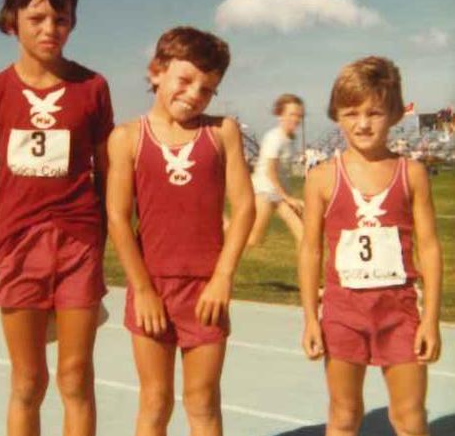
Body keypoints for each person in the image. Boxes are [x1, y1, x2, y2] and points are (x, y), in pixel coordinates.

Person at [0, 0, 113, 436]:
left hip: (78, 247)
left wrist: (96, 243)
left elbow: (106, 174)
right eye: (37, 18)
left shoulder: (92, 88)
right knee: (29, 381)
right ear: (12, 20)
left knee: (76, 379)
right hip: (19, 250)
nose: (50, 28)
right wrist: (2, 246)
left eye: (62, 18)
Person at [107, 26, 255, 436]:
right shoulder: (127, 138)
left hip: (206, 291)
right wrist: (143, 291)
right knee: (155, 402)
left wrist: (223, 278)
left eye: (207, 89)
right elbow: (118, 218)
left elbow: (243, 206)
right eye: (185, 80)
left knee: (203, 402)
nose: (194, 94)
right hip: (151, 288)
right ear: (157, 71)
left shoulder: (222, 132)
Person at [298, 56, 442, 436]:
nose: (362, 123)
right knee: (344, 416)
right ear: (337, 116)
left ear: (393, 114)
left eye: (374, 112)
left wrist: (431, 319)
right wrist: (311, 317)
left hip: (400, 313)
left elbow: (428, 247)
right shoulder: (321, 178)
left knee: (410, 418)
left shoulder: (412, 173)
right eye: (351, 113)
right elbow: (311, 250)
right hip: (343, 313)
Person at [247, 94, 304, 247]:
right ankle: (220, 224)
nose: (297, 119)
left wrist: (287, 197)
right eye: (292, 114)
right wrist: (288, 198)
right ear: (280, 115)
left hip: (279, 194)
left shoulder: (291, 138)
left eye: (300, 115)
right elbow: (270, 172)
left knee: (303, 234)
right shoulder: (274, 138)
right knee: (252, 240)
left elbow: (282, 173)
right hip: (264, 191)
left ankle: (306, 270)